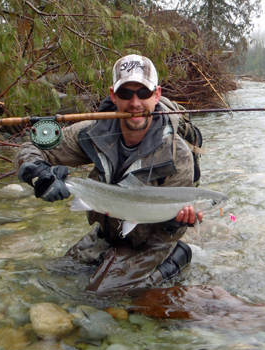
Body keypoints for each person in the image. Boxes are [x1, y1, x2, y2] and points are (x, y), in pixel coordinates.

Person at [13, 55, 202, 293]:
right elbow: (30, 148)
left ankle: (175, 259)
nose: (135, 102)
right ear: (113, 95)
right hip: (105, 234)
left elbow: (163, 234)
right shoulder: (93, 132)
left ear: (156, 95)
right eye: (126, 94)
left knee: (99, 295)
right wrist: (39, 173)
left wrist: (173, 224)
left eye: (143, 93)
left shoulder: (177, 156)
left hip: (150, 243)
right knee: (49, 278)